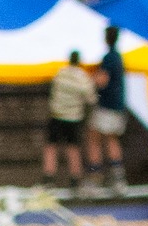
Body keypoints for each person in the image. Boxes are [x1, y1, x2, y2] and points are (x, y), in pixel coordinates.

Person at [45, 49, 96, 186]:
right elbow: (91, 98)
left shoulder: (60, 73)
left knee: (51, 146)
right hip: (73, 118)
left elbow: (53, 89)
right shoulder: (83, 77)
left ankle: (49, 178)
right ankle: (75, 179)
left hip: (56, 115)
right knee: (73, 148)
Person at [90, 24, 127, 191]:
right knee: (112, 139)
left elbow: (102, 80)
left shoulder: (109, 58)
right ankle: (117, 176)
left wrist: (91, 77)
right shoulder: (119, 57)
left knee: (94, 138)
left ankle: (96, 175)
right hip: (118, 105)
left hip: (106, 106)